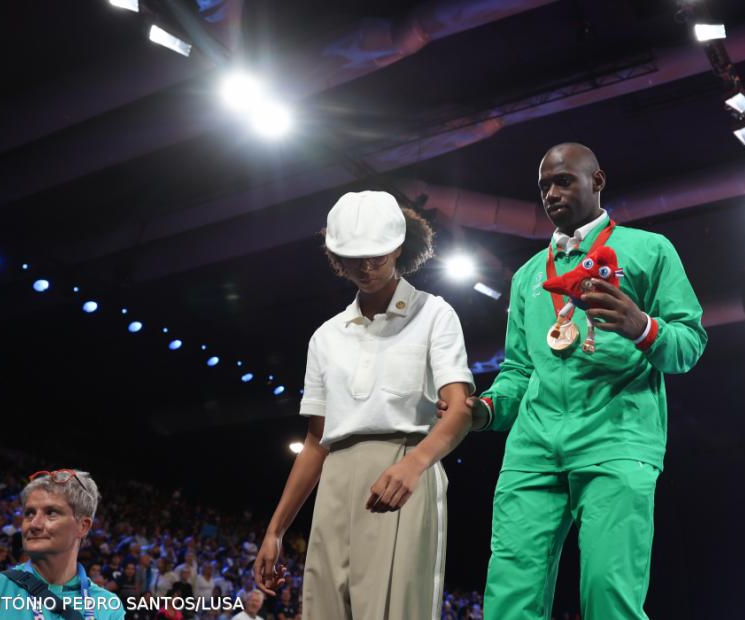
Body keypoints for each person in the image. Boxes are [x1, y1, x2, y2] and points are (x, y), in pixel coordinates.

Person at [439, 143, 707, 619]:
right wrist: (484, 410)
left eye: (563, 181)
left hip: (616, 439)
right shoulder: (526, 278)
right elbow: (518, 372)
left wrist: (642, 327)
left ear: (597, 181)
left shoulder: (649, 250)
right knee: (508, 598)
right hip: (532, 450)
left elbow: (688, 344)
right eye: (544, 186)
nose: (552, 193)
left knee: (609, 594)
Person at [253, 190, 477, 619]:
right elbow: (316, 440)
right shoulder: (326, 336)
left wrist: (415, 465)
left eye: (376, 254)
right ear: (336, 255)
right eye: (353, 256)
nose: (366, 266)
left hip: (406, 468)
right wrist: (275, 531)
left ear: (398, 245)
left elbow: (460, 408)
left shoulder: (435, 314)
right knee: (325, 610)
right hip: (335, 478)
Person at [0, 468, 125, 619]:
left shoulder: (108, 607)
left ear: (82, 526)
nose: (34, 524)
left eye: (51, 513)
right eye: (29, 513)